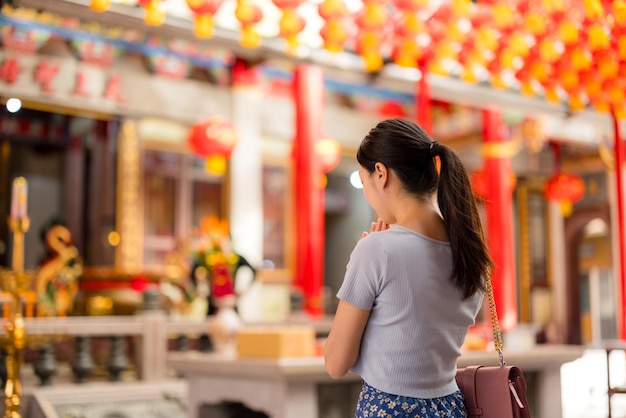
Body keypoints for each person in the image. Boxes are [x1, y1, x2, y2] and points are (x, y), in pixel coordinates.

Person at [323, 118, 493, 418]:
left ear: (380, 174)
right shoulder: (472, 254)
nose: (368, 194)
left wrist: (368, 257)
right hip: (452, 408)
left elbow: (336, 363)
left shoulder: (377, 249)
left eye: (364, 183)